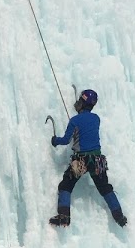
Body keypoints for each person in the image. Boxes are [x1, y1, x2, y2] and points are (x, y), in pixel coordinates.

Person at [49, 89, 127, 228]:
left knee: (66, 185)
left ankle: (64, 217)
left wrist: (55, 141)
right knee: (105, 188)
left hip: (81, 160)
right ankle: (119, 217)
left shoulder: (75, 121)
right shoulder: (96, 118)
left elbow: (67, 140)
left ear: (82, 102)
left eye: (79, 101)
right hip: (97, 160)